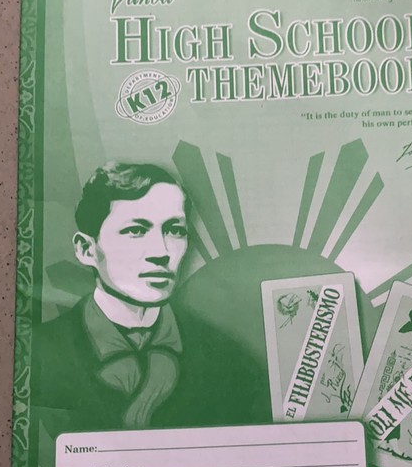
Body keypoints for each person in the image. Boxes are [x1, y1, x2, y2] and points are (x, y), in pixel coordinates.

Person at [31, 162, 269, 433]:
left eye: (175, 230)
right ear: (87, 249)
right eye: (135, 230)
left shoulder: (228, 363)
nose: (161, 252)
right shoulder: (37, 355)